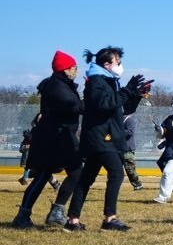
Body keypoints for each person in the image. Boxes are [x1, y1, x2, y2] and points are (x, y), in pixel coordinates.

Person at [66, 46, 147, 231]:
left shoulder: (109, 81)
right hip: (101, 137)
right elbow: (105, 105)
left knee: (87, 178)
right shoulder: (96, 82)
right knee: (116, 173)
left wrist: (136, 94)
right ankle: (109, 219)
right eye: (118, 62)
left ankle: (73, 220)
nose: (120, 66)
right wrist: (127, 90)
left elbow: (121, 109)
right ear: (107, 64)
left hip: (104, 136)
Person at [12, 51, 84, 229]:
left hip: (61, 136)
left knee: (73, 172)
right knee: (48, 174)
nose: (76, 70)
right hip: (53, 139)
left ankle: (54, 211)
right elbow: (74, 106)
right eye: (73, 67)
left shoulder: (62, 84)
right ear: (65, 69)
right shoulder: (55, 86)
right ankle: (24, 215)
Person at [123, 114, 143, 191]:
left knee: (129, 169)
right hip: (116, 148)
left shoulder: (129, 120)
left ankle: (137, 184)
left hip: (127, 149)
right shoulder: (115, 119)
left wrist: (117, 132)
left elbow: (130, 132)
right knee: (114, 169)